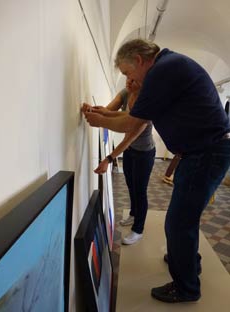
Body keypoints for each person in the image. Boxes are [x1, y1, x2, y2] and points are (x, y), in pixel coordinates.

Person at [83, 39, 230, 303]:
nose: (129, 79)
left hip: (206, 153)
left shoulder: (164, 70)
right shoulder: (169, 66)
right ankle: (186, 260)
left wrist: (99, 120)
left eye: (128, 72)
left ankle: (186, 288)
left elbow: (132, 122)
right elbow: (131, 115)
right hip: (202, 152)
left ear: (139, 60)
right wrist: (101, 114)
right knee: (183, 216)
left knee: (178, 221)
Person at [82, 78, 156, 245]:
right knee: (131, 184)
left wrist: (109, 159)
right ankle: (134, 213)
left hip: (145, 152)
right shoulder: (125, 93)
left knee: (140, 190)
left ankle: (138, 229)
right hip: (130, 151)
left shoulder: (147, 103)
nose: (129, 81)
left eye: (133, 78)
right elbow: (108, 110)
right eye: (127, 77)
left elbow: (129, 138)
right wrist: (92, 110)